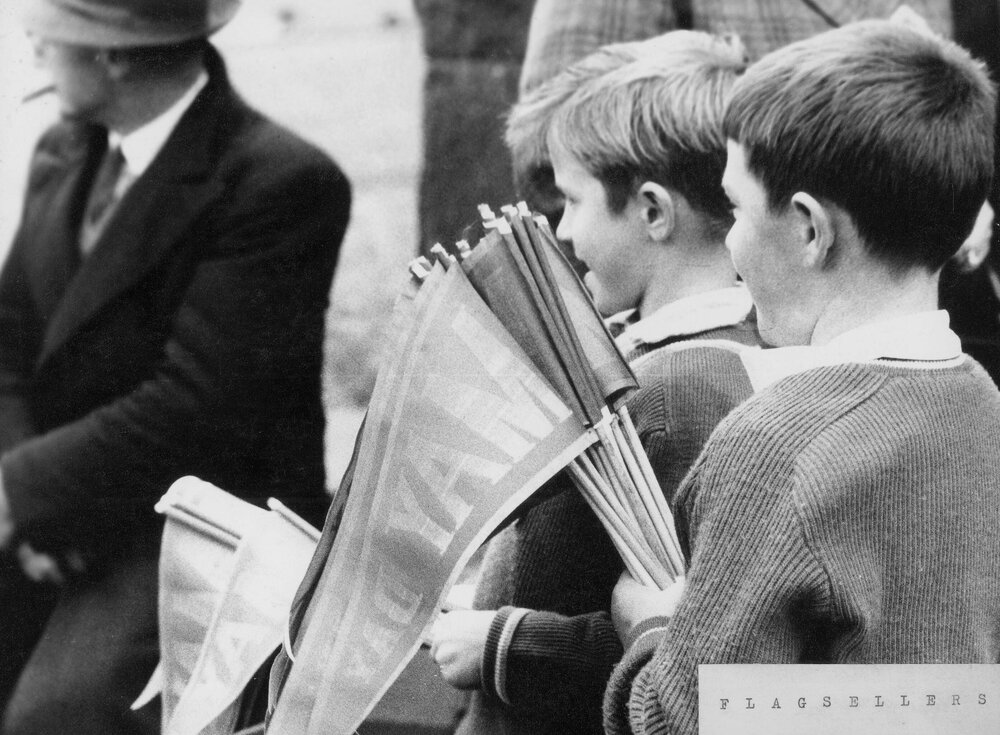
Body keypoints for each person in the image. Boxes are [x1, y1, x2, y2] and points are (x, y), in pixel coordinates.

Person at [605, 20, 1000, 735]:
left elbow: (675, 723)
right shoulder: (984, 404)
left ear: (810, 229)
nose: (729, 243)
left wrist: (652, 627)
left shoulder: (776, 448)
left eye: (735, 209)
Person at [0, 1, 350, 733]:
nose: (34, 48)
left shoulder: (280, 183)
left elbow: (197, 408)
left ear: (114, 55)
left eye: (50, 35)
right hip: (61, 504)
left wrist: (27, 495)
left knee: (60, 715)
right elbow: (10, 344)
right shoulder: (64, 151)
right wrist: (27, 504)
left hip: (195, 524)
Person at [427, 30, 761, 734]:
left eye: (573, 203)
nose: (564, 234)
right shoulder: (647, 353)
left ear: (651, 211)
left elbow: (684, 642)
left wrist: (505, 645)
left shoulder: (683, 389)